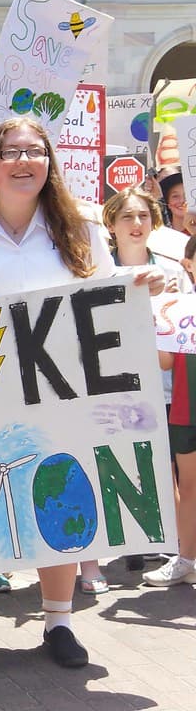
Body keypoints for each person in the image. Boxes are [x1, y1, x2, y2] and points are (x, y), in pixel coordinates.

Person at [0, 116, 164, 671]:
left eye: (35, 151)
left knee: (60, 494)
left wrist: (144, 286)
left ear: (49, 162)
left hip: (61, 394)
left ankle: (59, 621)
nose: (24, 161)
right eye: (10, 152)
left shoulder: (81, 227)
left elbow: (106, 297)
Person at [148, 234, 196, 588]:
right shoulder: (178, 307)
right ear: (188, 265)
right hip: (186, 406)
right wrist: (150, 326)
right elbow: (165, 361)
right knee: (190, 486)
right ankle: (186, 559)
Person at [159, 171, 189, 236]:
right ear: (168, 203)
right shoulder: (159, 234)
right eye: (175, 196)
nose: (182, 200)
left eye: (186, 195)